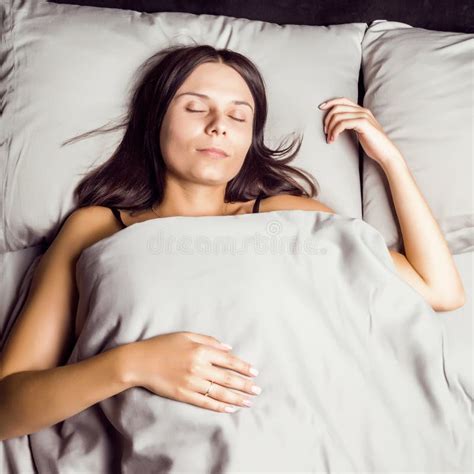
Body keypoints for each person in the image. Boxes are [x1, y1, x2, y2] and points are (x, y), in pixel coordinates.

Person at [0, 44, 464, 442]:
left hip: (301, 430)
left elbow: (439, 291)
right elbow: (7, 405)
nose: (219, 125)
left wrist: (391, 160)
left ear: (249, 139)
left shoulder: (289, 214)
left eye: (239, 116)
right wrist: (132, 364)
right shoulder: (97, 227)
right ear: (156, 121)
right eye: (196, 108)